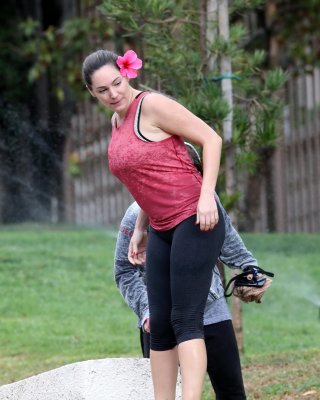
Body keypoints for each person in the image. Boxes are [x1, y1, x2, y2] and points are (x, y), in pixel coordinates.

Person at [82, 48, 224, 400]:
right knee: (159, 324)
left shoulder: (152, 105)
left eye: (117, 83)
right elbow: (146, 177)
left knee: (185, 320)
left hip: (195, 219)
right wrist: (143, 226)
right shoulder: (117, 122)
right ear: (92, 92)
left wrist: (207, 196)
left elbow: (211, 138)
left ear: (127, 72)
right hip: (161, 227)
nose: (113, 93)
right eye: (103, 90)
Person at [115, 195, 260, 399]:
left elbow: (227, 238)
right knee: (163, 392)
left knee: (232, 393)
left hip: (211, 312)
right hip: (160, 320)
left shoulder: (208, 200)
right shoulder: (135, 216)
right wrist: (148, 311)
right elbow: (124, 272)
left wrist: (250, 267)